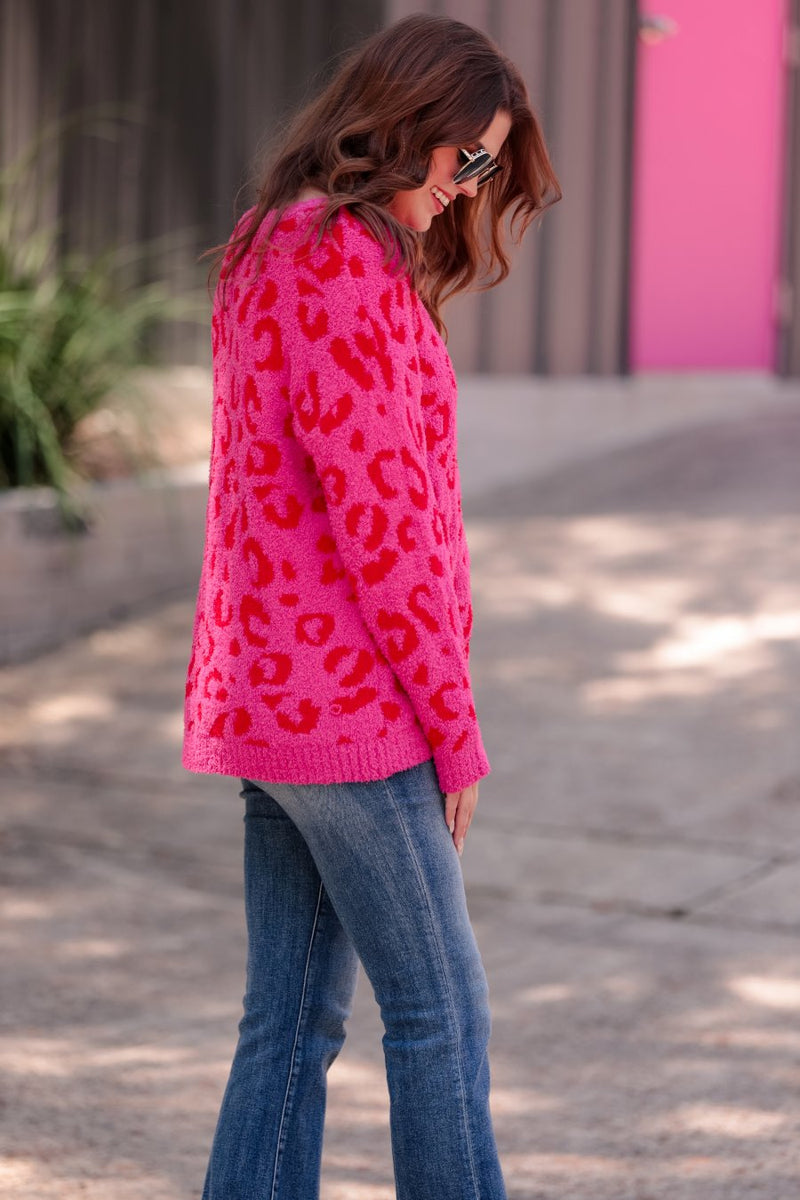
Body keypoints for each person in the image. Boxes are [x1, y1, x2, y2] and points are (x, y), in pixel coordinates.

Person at [182, 12, 560, 1199]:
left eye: (488, 165)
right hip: (353, 715)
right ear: (407, 122)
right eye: (468, 155)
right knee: (441, 1012)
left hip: (272, 699)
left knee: (289, 1022)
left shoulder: (268, 241)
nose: (472, 185)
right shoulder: (340, 265)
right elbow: (386, 535)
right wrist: (455, 730)